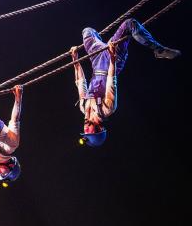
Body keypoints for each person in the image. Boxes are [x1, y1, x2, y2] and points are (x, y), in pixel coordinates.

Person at [72, 18, 180, 147]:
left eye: (84, 132)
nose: (85, 130)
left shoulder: (83, 107)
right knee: (129, 24)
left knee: (87, 31)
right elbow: (111, 80)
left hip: (97, 60)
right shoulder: (107, 109)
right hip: (112, 61)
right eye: (89, 132)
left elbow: (80, 82)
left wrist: (75, 60)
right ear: (99, 129)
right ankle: (159, 50)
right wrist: (112, 58)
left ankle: (100, 41)